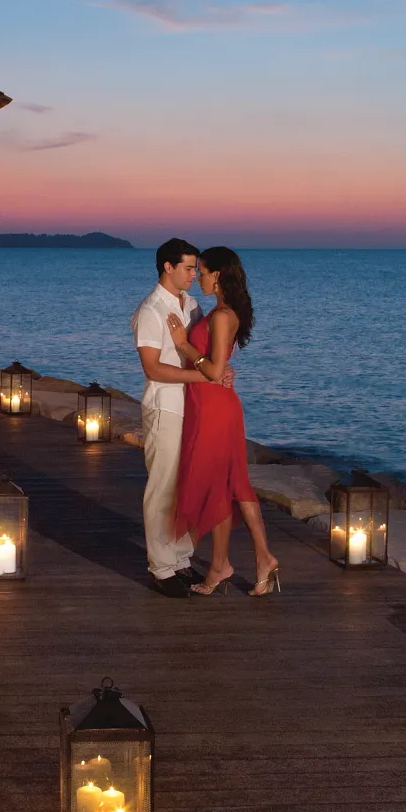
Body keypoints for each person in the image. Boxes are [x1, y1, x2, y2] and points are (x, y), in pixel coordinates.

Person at [168, 246, 278, 596]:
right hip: (214, 405)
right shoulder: (221, 312)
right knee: (235, 485)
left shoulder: (221, 316)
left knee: (221, 485)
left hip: (215, 409)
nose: (198, 276)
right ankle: (258, 560)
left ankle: (223, 565)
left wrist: (184, 347)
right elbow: (221, 365)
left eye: (202, 271)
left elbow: (214, 370)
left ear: (218, 275)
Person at [131, 238, 214, 598]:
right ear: (168, 267)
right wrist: (203, 375)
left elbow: (197, 353)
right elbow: (152, 368)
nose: (195, 274)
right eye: (188, 268)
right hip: (165, 406)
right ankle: (161, 567)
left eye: (196, 268)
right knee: (162, 488)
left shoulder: (192, 305)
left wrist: (215, 372)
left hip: (192, 406)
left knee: (188, 486)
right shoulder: (150, 310)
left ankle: (180, 558)